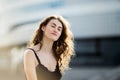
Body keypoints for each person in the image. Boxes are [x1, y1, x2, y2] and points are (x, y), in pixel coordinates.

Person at [24, 15, 75, 80]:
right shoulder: (30, 53)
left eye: (59, 29)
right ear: (43, 28)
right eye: (53, 26)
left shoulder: (56, 55)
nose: (56, 30)